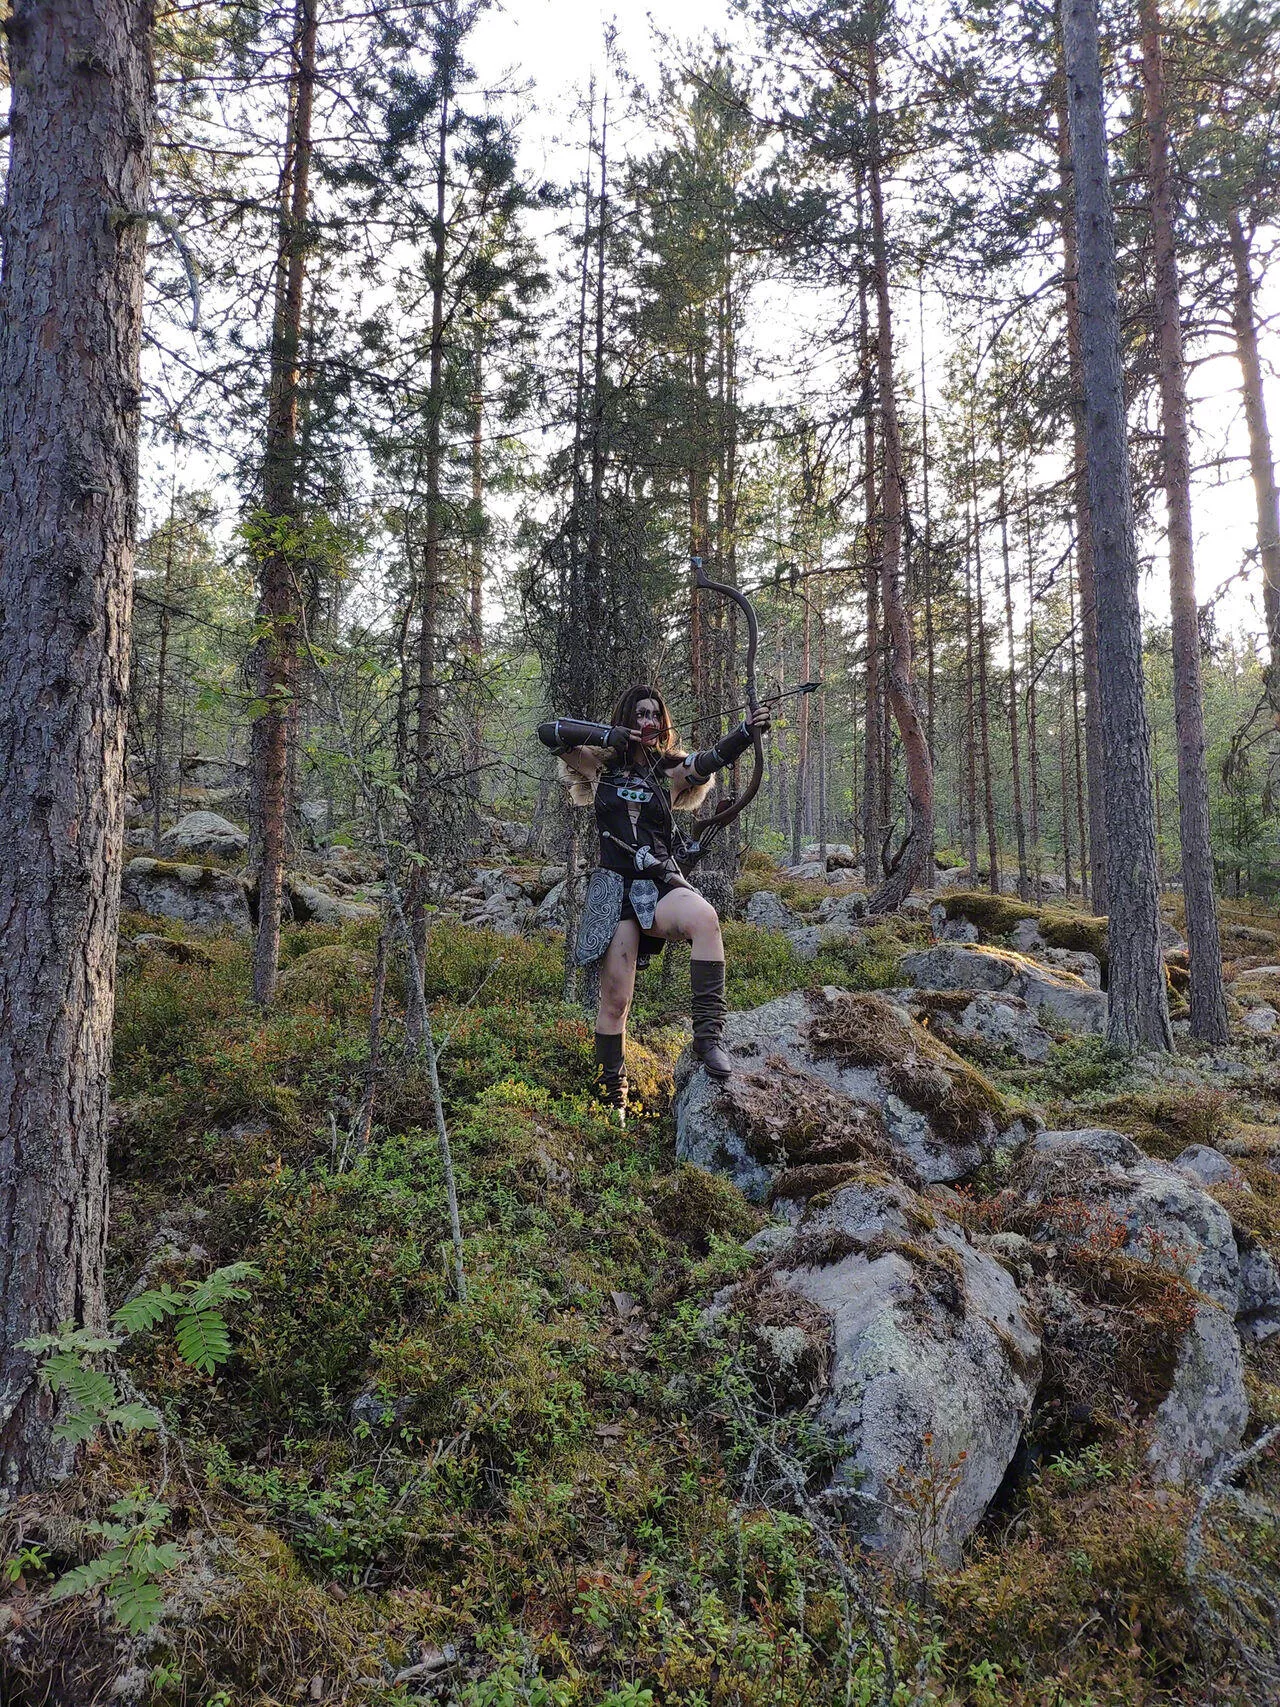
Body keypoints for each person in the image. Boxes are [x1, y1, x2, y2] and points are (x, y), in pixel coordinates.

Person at [537, 684, 771, 1123]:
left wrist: (746, 730)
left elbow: (711, 759)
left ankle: (707, 1039)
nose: (647, 721)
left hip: (660, 883)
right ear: (626, 719)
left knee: (705, 918)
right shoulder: (599, 766)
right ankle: (612, 1098)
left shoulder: (670, 771)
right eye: (639, 714)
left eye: (654, 715)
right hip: (615, 891)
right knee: (615, 1002)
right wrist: (610, 737)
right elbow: (549, 732)